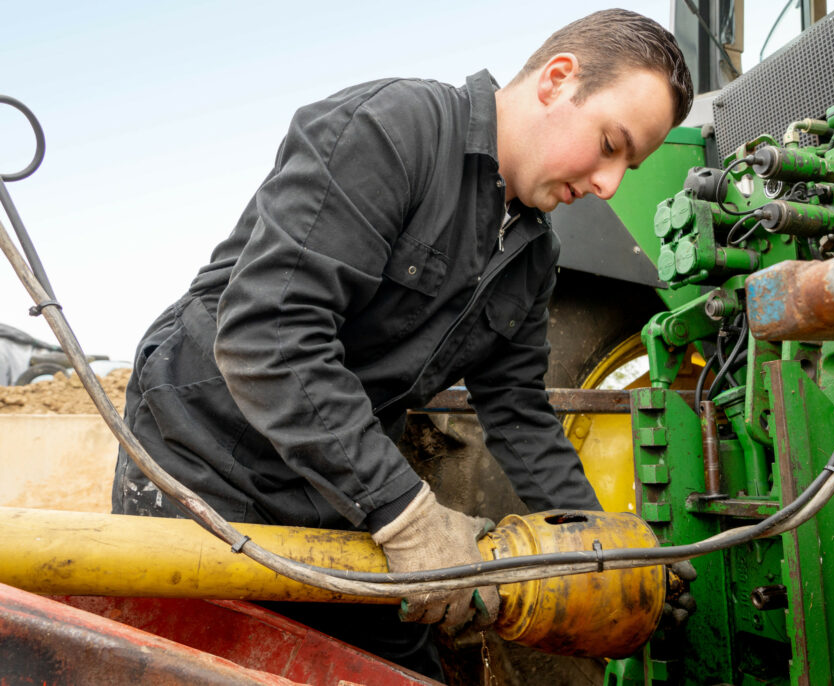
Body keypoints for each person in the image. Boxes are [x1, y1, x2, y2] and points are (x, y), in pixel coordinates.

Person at [112, 8, 692, 680]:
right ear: (558, 80)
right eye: (610, 144)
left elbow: (519, 414)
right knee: (193, 662)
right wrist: (409, 517)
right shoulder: (393, 131)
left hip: (334, 487)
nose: (608, 185)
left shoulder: (533, 256)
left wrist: (601, 551)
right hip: (204, 460)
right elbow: (268, 337)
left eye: (630, 164)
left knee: (402, 671)